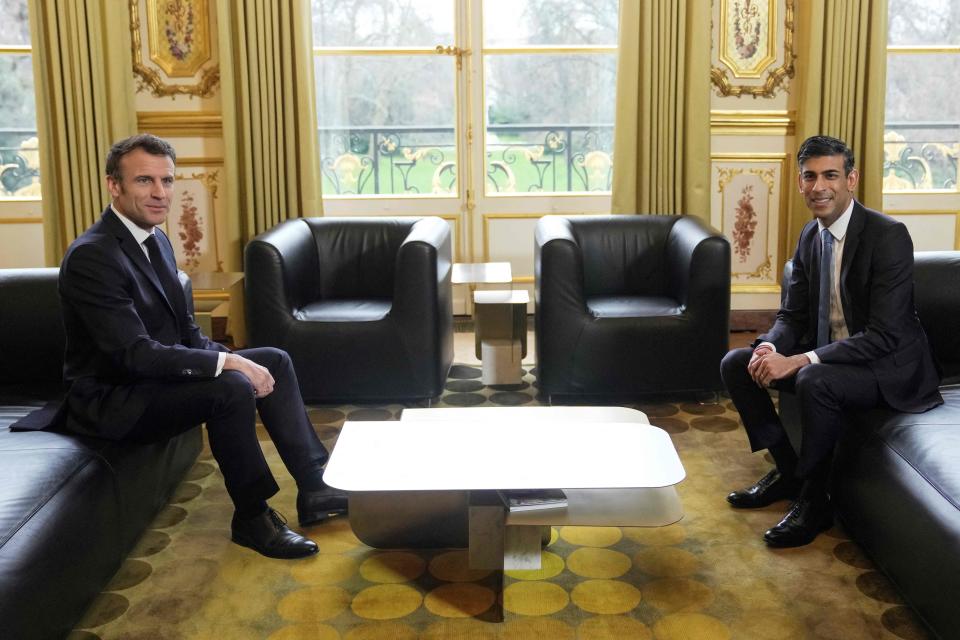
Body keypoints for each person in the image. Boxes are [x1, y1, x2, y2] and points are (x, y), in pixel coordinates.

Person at [53, 133, 345, 559]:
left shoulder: (156, 240)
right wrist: (228, 364)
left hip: (153, 383)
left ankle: (316, 487)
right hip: (114, 399)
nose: (159, 193)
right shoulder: (92, 256)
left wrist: (230, 359)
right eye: (144, 181)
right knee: (230, 388)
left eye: (167, 181)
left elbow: (188, 334)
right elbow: (134, 354)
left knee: (274, 360)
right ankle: (251, 516)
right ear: (113, 185)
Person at [720, 135, 942, 548]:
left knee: (812, 381)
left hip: (887, 369)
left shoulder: (888, 236)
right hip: (833, 359)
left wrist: (802, 360)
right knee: (738, 362)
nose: (819, 186)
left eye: (830, 175)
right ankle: (788, 470)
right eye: (810, 177)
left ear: (851, 179)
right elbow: (794, 315)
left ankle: (814, 500)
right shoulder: (810, 235)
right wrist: (769, 347)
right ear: (801, 182)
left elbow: (884, 335)